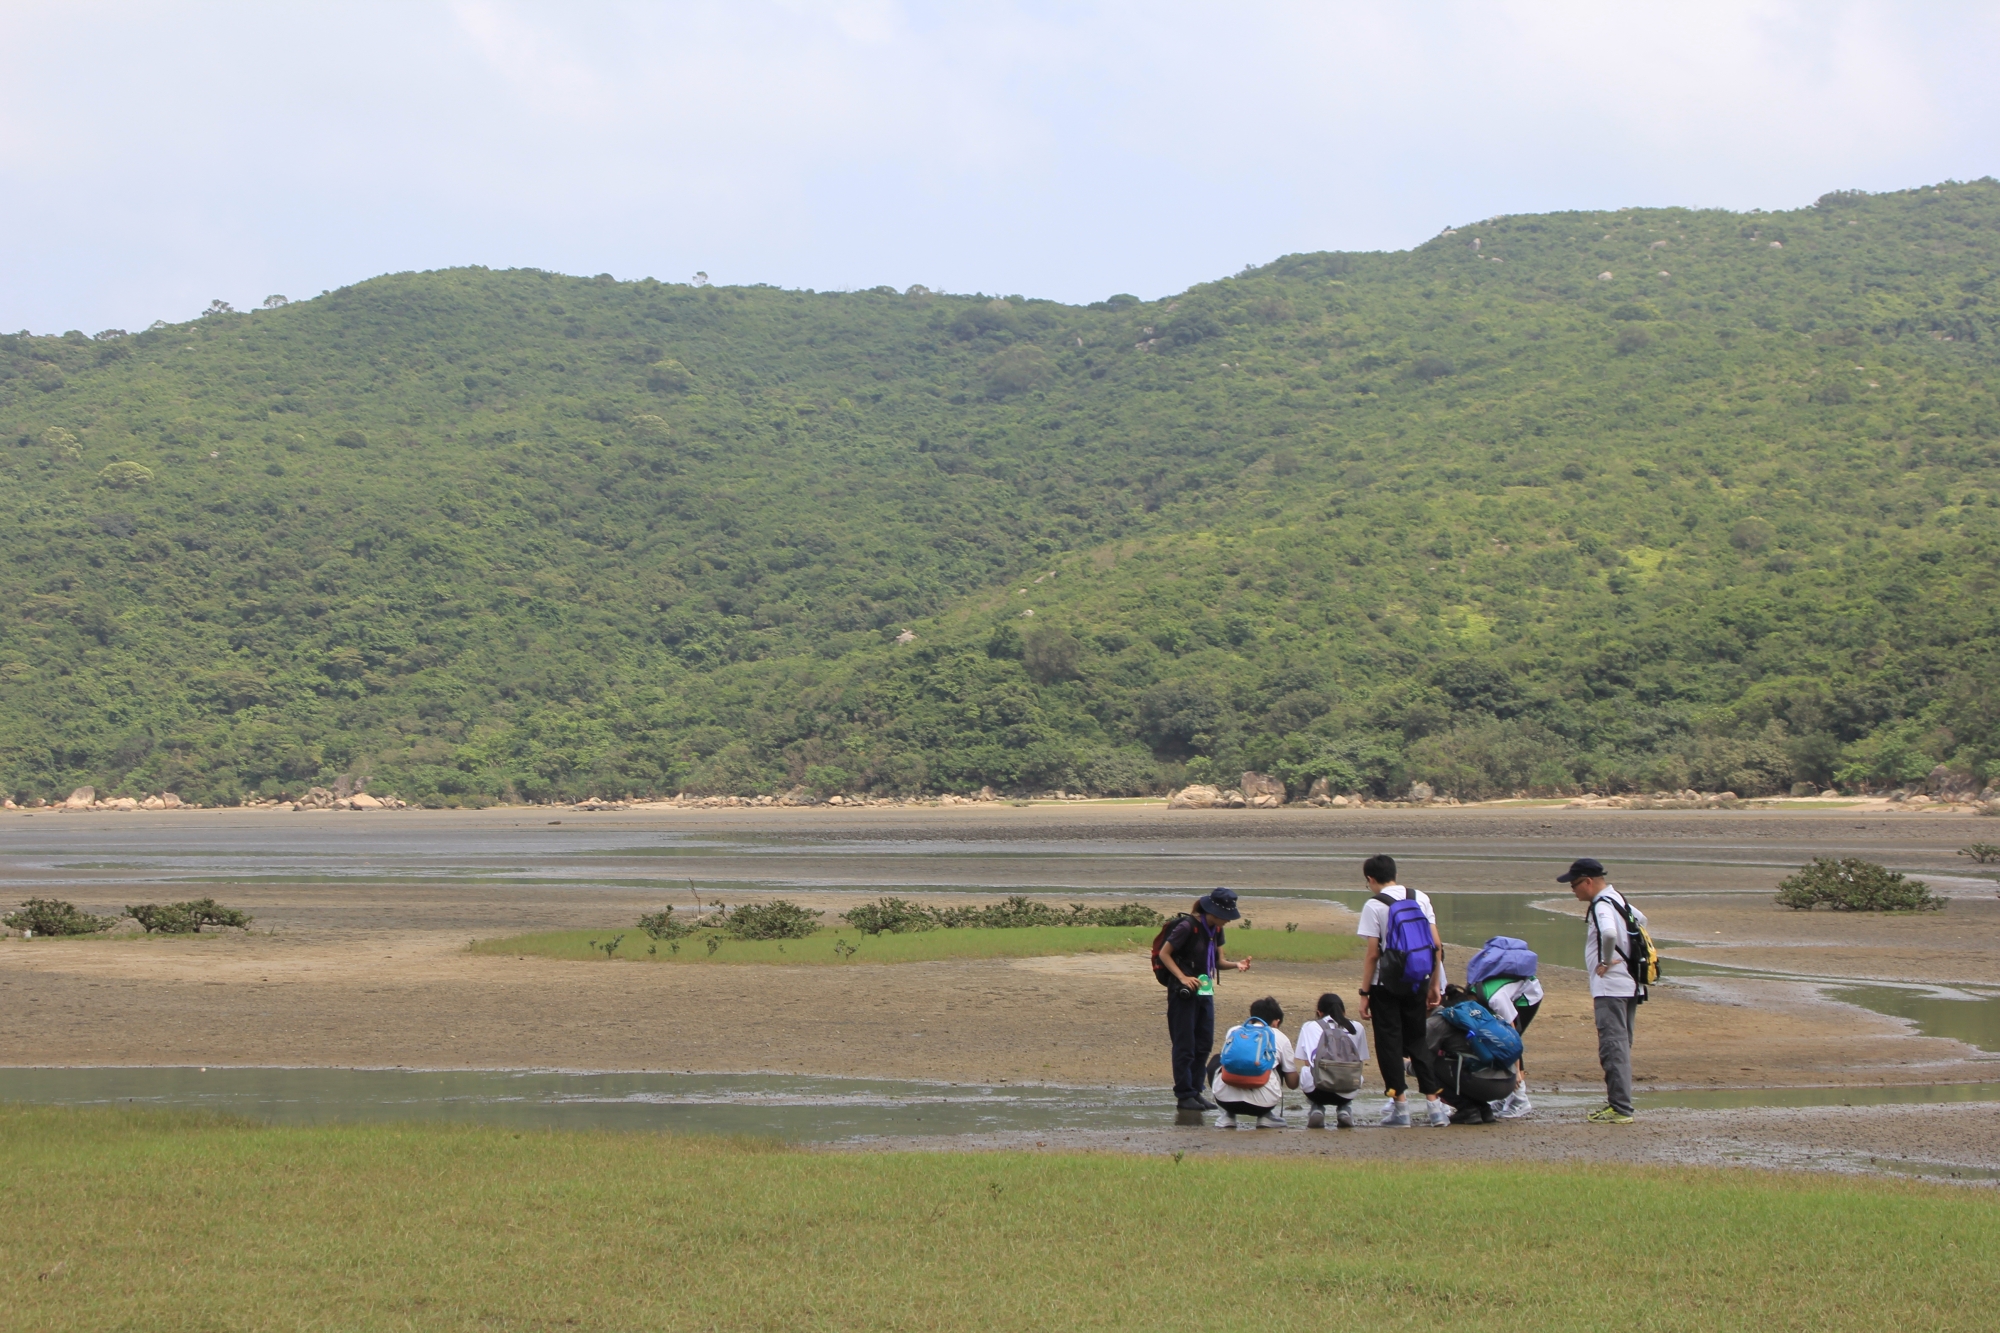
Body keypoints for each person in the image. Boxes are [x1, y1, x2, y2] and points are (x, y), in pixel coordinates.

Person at [1354, 853, 1451, 1127]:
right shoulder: (1419, 897)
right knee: (1418, 1039)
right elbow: (1436, 945)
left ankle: (1401, 1107)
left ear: (1371, 879)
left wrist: (1364, 994)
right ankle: (1434, 1106)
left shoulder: (1374, 905)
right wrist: (1434, 984)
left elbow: (1373, 954)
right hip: (1417, 978)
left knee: (1389, 1043)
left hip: (1385, 984)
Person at [1153, 888, 1253, 1112]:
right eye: (1225, 915)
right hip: (1183, 991)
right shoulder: (1187, 926)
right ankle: (1184, 1094)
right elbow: (1164, 954)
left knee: (1204, 1043)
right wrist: (1182, 977)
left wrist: (1237, 965)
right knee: (1184, 1044)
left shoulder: (1216, 930)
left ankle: (1196, 1091)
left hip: (1205, 989)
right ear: (1212, 911)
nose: (1228, 920)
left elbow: (1218, 962)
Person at [1561, 857, 1644, 1124]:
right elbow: (1641, 919)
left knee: (1613, 1046)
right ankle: (1619, 1105)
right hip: (1630, 983)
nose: (1572, 890)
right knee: (1621, 1044)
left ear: (1588, 881)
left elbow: (1608, 933)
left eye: (1574, 884)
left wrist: (1606, 962)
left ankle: (1620, 1108)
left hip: (1611, 987)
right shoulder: (1617, 897)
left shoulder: (1601, 905)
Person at [1465, 935, 1543, 1119]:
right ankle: (1506, 1096)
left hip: (1528, 997)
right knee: (1495, 1040)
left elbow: (1512, 1035)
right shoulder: (1473, 991)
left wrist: (1517, 1071)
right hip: (1509, 992)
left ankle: (1521, 1099)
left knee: (1505, 1042)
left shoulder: (1495, 1000)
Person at [1210, 996, 1298, 1129]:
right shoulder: (1279, 1036)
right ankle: (1265, 1117)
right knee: (1276, 1064)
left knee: (1217, 1060)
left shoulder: (1234, 1031)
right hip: (1262, 1104)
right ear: (1276, 1022)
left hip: (1226, 1101)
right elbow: (1292, 1083)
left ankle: (1227, 1116)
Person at [1295, 992, 1368, 1128]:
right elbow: (1359, 1062)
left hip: (1317, 1089)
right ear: (1344, 1012)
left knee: (1306, 1070)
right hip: (1347, 1089)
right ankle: (1344, 1109)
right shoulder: (1357, 1027)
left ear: (1319, 1012)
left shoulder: (1309, 1026)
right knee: (1357, 1075)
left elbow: (1307, 1062)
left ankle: (1316, 1108)